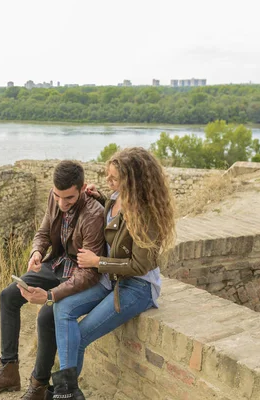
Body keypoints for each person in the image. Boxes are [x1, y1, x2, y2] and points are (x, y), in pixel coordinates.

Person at [51, 147, 177, 399]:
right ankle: (69, 392)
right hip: (111, 280)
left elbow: (140, 266)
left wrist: (98, 262)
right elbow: (115, 227)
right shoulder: (117, 197)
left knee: (82, 333)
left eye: (114, 178)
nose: (109, 182)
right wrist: (99, 198)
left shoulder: (145, 213)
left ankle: (64, 393)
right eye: (108, 176)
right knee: (61, 307)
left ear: (133, 180)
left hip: (137, 287)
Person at [0, 160, 106, 400]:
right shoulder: (54, 198)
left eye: (69, 198)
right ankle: (8, 371)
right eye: (58, 197)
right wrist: (36, 252)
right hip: (55, 263)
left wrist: (48, 296)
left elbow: (90, 273)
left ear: (82, 188)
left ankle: (38, 386)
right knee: (8, 296)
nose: (62, 204)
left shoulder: (94, 213)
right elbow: (43, 233)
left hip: (77, 274)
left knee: (47, 315)